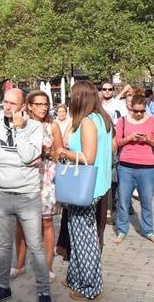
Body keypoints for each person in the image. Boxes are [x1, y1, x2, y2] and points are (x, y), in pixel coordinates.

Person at [0, 88, 51, 302]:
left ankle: (43, 290)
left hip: (28, 195)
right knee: (3, 246)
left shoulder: (34, 127)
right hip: (3, 195)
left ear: (23, 106)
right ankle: (2, 286)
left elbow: (30, 154)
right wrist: (25, 161)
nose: (7, 107)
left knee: (35, 245)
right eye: (5, 102)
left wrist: (20, 129)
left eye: (13, 103)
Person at [55, 80, 113, 300]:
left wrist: (63, 152)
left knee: (84, 241)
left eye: (72, 96)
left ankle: (90, 286)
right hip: (98, 185)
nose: (70, 100)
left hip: (86, 189)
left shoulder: (89, 122)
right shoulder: (102, 119)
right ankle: (76, 278)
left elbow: (87, 158)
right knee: (78, 236)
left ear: (79, 97)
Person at [10, 91, 64, 282]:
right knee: (20, 224)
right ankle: (19, 264)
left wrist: (50, 153)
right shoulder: (20, 125)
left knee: (47, 222)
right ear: (29, 106)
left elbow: (61, 153)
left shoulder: (53, 126)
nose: (43, 107)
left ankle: (47, 267)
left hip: (46, 180)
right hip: (23, 179)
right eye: (39, 104)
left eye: (45, 104)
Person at [113, 95, 154, 243]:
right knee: (123, 201)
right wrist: (130, 138)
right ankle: (122, 230)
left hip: (148, 167)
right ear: (131, 108)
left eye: (142, 111)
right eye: (136, 111)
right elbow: (117, 142)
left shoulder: (152, 121)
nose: (138, 114)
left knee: (147, 200)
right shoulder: (122, 121)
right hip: (126, 166)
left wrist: (148, 140)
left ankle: (149, 230)